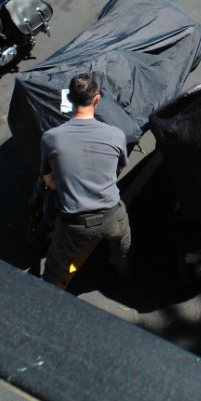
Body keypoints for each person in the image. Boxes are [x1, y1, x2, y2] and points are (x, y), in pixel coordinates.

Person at [40, 73, 133, 289]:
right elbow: (120, 166)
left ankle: (49, 295)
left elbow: (49, 180)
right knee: (123, 241)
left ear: (69, 99)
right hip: (110, 215)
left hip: (73, 224)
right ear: (97, 100)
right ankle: (124, 272)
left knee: (55, 265)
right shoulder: (116, 135)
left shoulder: (51, 138)